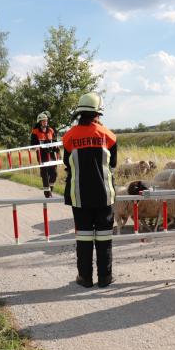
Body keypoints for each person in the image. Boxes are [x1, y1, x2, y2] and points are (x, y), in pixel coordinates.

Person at [62, 93, 117, 288]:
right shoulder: (108, 135)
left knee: (83, 239)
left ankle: (85, 278)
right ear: (98, 114)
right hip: (104, 195)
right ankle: (105, 278)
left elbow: (66, 164)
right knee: (104, 239)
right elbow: (113, 164)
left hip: (79, 196)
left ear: (80, 112)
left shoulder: (69, 136)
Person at [31, 111, 60, 198]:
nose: (45, 122)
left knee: (54, 173)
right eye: (43, 121)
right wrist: (36, 147)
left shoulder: (51, 130)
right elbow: (33, 144)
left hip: (51, 155)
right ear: (39, 122)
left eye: (46, 121)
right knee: (45, 174)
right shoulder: (35, 132)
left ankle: (50, 188)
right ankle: (47, 194)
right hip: (41, 155)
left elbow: (55, 142)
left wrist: (58, 151)